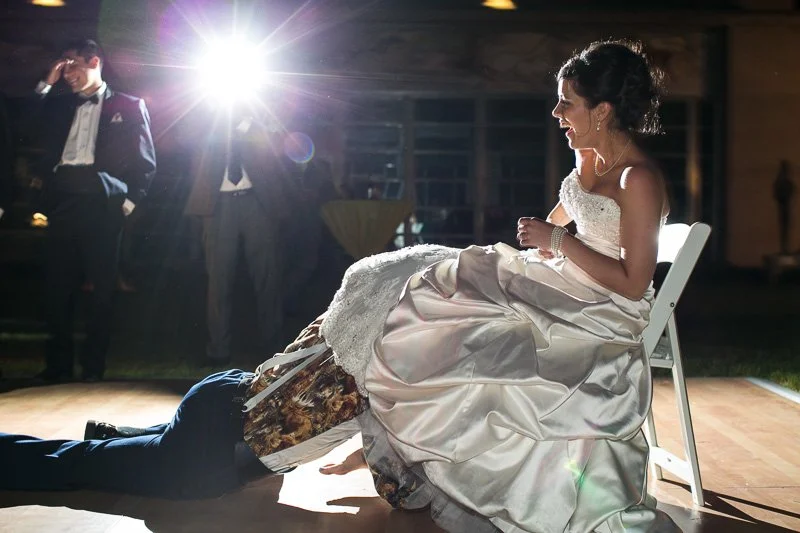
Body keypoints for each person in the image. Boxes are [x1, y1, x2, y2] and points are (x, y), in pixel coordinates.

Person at [0, 40, 678, 532]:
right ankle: (96, 444)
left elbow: (632, 278)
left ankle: (91, 446)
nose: (557, 112)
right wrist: (540, 239)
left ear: (604, 109)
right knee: (420, 296)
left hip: (596, 311)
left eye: (567, 103)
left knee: (434, 328)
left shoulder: (638, 179)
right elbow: (560, 220)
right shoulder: (586, 158)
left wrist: (555, 244)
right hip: (551, 284)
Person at [31, 39, 156, 382]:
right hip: (64, 200)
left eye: (71, 63)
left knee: (101, 293)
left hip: (103, 205)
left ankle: (92, 372)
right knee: (57, 290)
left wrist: (127, 204)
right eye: (63, 64)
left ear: (94, 61)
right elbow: (26, 122)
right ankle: (57, 368)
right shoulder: (57, 104)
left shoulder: (129, 105)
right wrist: (47, 82)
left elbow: (145, 162)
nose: (66, 71)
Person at [183, 107, 297, 366]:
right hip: (217, 204)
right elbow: (188, 137)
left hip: (257, 201)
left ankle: (274, 348)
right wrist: (222, 118)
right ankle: (218, 350)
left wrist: (251, 118)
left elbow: (280, 144)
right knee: (218, 281)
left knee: (267, 277)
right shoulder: (207, 115)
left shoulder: (260, 112)